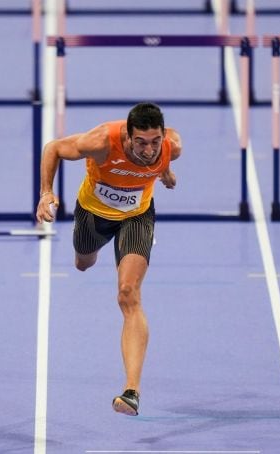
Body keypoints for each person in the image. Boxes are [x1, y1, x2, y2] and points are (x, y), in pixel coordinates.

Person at [36, 102, 181, 415]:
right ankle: (90, 252)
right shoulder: (101, 141)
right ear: (127, 138)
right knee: (83, 263)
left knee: (129, 295)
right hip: (93, 216)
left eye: (155, 142)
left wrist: (165, 171)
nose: (149, 149)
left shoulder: (171, 146)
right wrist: (46, 192)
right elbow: (53, 148)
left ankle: (131, 391)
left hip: (137, 217)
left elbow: (163, 159)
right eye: (141, 142)